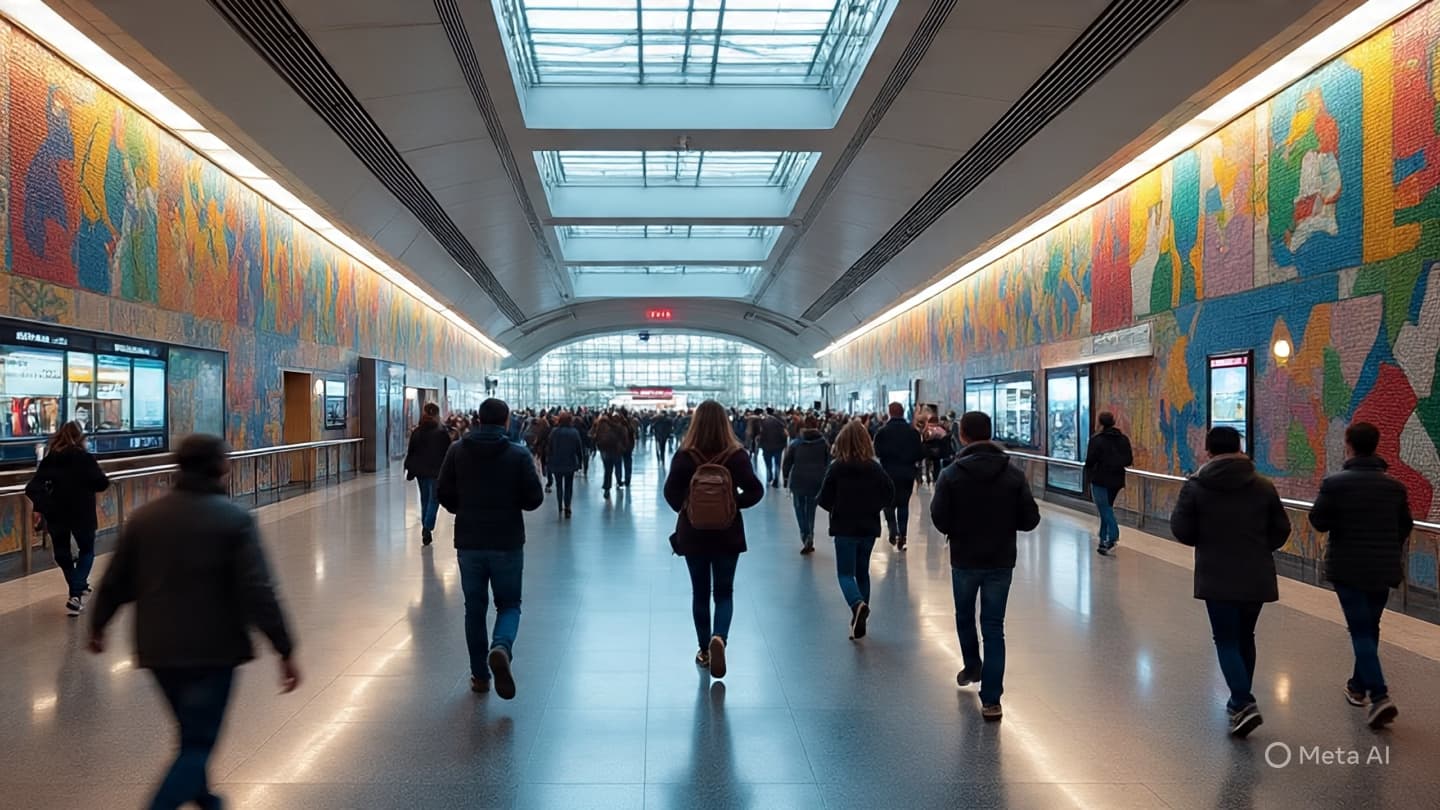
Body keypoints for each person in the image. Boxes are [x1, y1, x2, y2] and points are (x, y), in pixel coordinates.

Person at [88, 434, 299, 810]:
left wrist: (98, 625)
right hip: (214, 650)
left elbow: (115, 580)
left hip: (157, 649)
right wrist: (284, 648)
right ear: (220, 466)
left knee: (191, 732)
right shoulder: (235, 520)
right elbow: (258, 591)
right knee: (198, 744)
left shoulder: (144, 519)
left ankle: (206, 800)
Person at [1170, 426, 1291, 738]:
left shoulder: (1196, 486)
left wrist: (1208, 539)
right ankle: (1239, 703)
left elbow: (1182, 530)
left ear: (1208, 451)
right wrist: (1259, 547)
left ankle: (1243, 701)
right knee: (1245, 636)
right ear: (1239, 448)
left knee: (1225, 640)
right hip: (1256, 573)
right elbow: (1281, 529)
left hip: (1216, 574)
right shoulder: (1263, 485)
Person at [929, 411, 1040, 722]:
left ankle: (972, 665)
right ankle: (991, 700)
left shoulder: (951, 474)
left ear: (962, 435)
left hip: (964, 558)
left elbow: (939, 517)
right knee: (993, 627)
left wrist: (958, 528)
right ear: (989, 433)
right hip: (1000, 560)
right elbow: (1030, 519)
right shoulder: (1013, 474)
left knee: (964, 616)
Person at [1307, 421, 1411, 730]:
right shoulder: (1395, 487)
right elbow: (1404, 526)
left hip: (1348, 568)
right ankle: (1357, 686)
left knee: (1360, 630)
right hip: (1383, 567)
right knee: (1369, 626)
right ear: (1375, 445)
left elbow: (1318, 521)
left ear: (1349, 445)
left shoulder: (1335, 484)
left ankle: (1379, 695)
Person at [438, 398, 544, 699]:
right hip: (507, 541)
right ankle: (501, 646)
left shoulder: (457, 450)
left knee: (474, 609)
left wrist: (463, 508)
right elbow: (534, 499)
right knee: (509, 605)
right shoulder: (518, 454)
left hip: (469, 541)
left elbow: (443, 491)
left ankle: (480, 676)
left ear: (478, 420)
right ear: (507, 421)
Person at [663, 400, 764, 679]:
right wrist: (732, 504)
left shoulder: (684, 456)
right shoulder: (736, 456)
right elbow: (756, 491)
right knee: (724, 592)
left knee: (699, 593)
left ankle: (704, 650)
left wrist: (689, 507)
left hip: (693, 533)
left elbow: (670, 494)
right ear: (725, 423)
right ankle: (720, 637)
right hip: (727, 533)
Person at [818, 421, 894, 639]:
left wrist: (837, 506)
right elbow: (889, 494)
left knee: (845, 574)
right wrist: (874, 506)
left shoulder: (837, 467)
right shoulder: (874, 467)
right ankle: (859, 620)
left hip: (844, 526)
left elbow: (824, 499)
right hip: (868, 527)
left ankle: (856, 604)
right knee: (862, 573)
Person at [26, 422, 110, 615]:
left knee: (62, 554)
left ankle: (76, 591)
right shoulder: (85, 458)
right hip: (83, 513)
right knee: (87, 550)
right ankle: (76, 591)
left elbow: (32, 487)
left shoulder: (51, 459)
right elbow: (102, 483)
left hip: (57, 514)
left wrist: (45, 505)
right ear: (80, 438)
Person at [874, 403, 924, 551]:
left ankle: (892, 530)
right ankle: (903, 535)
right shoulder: (913, 432)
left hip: (888, 473)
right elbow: (919, 453)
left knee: (888, 503)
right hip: (907, 473)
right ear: (902, 413)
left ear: (890, 413)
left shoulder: (882, 432)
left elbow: (878, 452)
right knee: (903, 504)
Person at [1084, 412, 1133, 555]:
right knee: (1107, 508)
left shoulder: (1097, 440)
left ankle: (1113, 535)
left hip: (1100, 479)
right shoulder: (1123, 439)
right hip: (1117, 480)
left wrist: (1088, 474)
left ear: (1100, 423)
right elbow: (1128, 460)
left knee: (1104, 509)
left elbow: (1090, 460)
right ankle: (1103, 540)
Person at [404, 402, 453, 546]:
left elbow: (411, 451)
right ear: (437, 415)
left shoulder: (417, 432)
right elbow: (448, 452)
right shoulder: (441, 432)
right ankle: (427, 526)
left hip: (420, 471)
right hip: (436, 471)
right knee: (434, 499)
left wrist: (409, 468)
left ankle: (426, 526)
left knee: (424, 498)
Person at [782, 416, 831, 554]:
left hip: (798, 480)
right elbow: (828, 463)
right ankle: (810, 534)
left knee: (799, 508)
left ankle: (805, 534)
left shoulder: (796, 443)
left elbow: (787, 462)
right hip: (816, 481)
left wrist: (785, 478)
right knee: (811, 510)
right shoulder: (824, 443)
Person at [546, 412, 585, 519]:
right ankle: (567, 506)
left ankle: (559, 505)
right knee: (569, 485)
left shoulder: (554, 432)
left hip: (556, 462)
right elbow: (579, 448)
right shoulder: (574, 432)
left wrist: (548, 460)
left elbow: (549, 447)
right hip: (570, 463)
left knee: (559, 485)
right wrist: (580, 462)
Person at [592, 412, 624, 499]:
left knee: (607, 470)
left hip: (604, 450)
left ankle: (607, 488)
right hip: (616, 450)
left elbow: (593, 436)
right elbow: (623, 436)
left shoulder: (600, 425)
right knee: (618, 465)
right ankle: (619, 480)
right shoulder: (617, 426)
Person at [758, 408, 789, 488]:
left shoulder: (764, 422)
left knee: (768, 463)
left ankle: (769, 477)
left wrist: (761, 444)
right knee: (777, 463)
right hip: (778, 447)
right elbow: (784, 435)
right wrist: (783, 444)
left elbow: (761, 434)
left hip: (766, 447)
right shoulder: (781, 422)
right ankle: (776, 480)